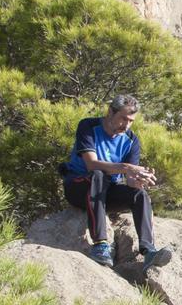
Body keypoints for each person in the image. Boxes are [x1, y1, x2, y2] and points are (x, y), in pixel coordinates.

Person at [61, 95, 173, 269]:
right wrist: (127, 167)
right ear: (110, 112)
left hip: (105, 194)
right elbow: (91, 164)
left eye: (131, 121)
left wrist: (138, 181)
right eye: (123, 118)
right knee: (98, 175)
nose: (126, 125)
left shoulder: (131, 140)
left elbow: (129, 179)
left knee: (139, 195)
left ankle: (149, 251)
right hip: (79, 187)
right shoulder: (88, 126)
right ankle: (100, 244)